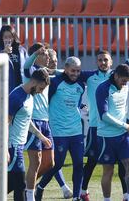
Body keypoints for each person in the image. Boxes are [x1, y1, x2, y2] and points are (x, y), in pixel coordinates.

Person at [79, 27, 129, 201]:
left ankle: (127, 196)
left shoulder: (121, 73)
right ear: (96, 62)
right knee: (94, 162)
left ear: (111, 62)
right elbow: (69, 74)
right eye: (99, 60)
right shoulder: (91, 77)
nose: (102, 62)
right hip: (98, 127)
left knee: (128, 164)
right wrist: (49, 71)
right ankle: (82, 191)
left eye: (105, 60)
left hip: (119, 131)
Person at [23, 43, 72, 199]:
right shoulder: (32, 72)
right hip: (33, 121)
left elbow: (65, 74)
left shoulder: (45, 74)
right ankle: (29, 195)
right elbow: (26, 65)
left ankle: (25, 186)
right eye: (46, 55)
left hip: (45, 121)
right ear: (38, 56)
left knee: (50, 163)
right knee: (35, 162)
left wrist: (51, 70)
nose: (49, 58)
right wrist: (36, 53)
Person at [35, 57, 85, 201]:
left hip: (76, 131)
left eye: (78, 71)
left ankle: (76, 197)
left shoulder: (81, 85)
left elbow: (77, 103)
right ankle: (40, 187)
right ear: (66, 68)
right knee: (56, 164)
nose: (75, 73)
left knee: (79, 164)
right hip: (58, 131)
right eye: (72, 70)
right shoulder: (55, 83)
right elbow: (46, 101)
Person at [7, 69, 52, 201]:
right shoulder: (16, 96)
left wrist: (41, 137)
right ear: (34, 82)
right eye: (40, 88)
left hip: (19, 145)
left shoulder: (30, 96)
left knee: (14, 184)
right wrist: (5, 149)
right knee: (20, 185)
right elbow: (5, 122)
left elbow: (27, 121)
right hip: (13, 146)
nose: (41, 92)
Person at [96, 64, 129, 201]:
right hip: (106, 137)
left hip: (123, 136)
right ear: (116, 76)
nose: (124, 84)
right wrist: (125, 125)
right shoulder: (103, 88)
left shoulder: (125, 84)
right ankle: (107, 199)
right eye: (123, 81)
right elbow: (104, 116)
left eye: (127, 81)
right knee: (109, 171)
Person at [0, 24, 28, 92]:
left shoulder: (22, 51)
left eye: (10, 37)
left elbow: (28, 66)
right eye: (5, 37)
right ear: (2, 38)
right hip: (4, 89)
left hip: (21, 88)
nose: (8, 39)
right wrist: (3, 53)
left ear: (14, 37)